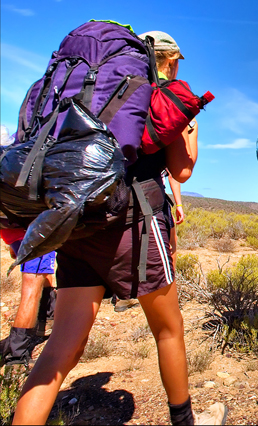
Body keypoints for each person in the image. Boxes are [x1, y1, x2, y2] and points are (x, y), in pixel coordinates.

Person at [12, 30, 226, 425]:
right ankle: (186, 421)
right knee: (168, 329)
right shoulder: (158, 95)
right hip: (135, 224)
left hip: (77, 220)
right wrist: (190, 128)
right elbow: (182, 170)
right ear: (171, 60)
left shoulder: (82, 89)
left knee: (61, 346)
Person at [0, 229, 57, 366]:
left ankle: (46, 319)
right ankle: (17, 355)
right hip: (35, 233)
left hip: (15, 231)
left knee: (44, 272)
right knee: (31, 290)